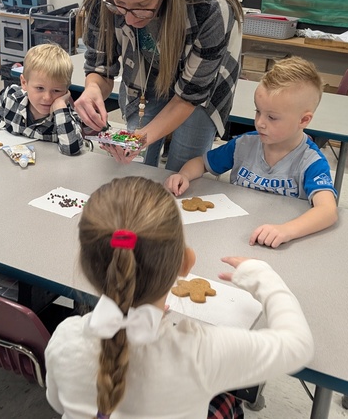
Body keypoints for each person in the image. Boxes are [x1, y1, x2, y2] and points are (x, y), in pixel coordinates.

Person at [45, 176, 314, 418]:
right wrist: (263, 276)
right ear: (187, 262)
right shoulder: (199, 353)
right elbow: (298, 345)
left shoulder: (65, 338)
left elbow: (58, 403)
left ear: (85, 265)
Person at [75, 0, 244, 171]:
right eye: (119, 4)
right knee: (133, 164)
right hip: (143, 72)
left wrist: (140, 139)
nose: (129, 20)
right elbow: (100, 66)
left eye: (142, 6)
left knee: (181, 167)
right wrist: (93, 88)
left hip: (200, 83)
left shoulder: (212, 4)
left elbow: (190, 96)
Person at [165, 56, 339, 248]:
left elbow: (328, 210)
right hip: (234, 235)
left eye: (272, 117)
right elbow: (201, 163)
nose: (260, 123)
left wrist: (287, 230)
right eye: (258, 112)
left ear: (304, 120)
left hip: (277, 243)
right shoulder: (244, 144)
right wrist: (184, 175)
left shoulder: (311, 161)